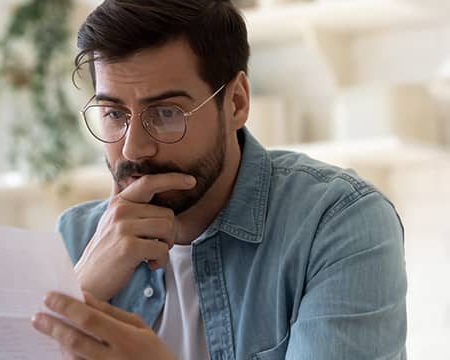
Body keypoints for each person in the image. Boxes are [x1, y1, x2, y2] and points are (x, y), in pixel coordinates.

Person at [31, 0, 408, 359]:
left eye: (165, 113)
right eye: (114, 113)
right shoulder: (78, 237)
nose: (133, 150)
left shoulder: (338, 224)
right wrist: (77, 290)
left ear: (237, 103)